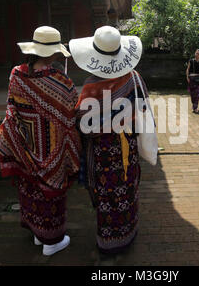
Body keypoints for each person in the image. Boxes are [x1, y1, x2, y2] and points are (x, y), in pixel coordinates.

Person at [0, 26, 81, 256]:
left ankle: (37, 233)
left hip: (25, 146)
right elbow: (72, 112)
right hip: (53, 149)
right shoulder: (61, 81)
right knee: (51, 191)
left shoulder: (16, 74)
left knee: (30, 189)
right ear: (53, 53)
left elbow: (11, 108)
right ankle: (51, 241)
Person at [69, 25, 146, 254]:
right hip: (127, 145)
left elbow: (83, 122)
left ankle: (108, 240)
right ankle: (128, 232)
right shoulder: (134, 79)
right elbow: (142, 107)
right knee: (127, 185)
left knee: (107, 192)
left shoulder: (91, 86)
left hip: (102, 150)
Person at [186, 49, 199, 113]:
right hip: (191, 78)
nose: (197, 54)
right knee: (192, 94)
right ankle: (193, 104)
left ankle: (195, 107)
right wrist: (187, 77)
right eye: (196, 53)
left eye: (198, 53)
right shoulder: (191, 61)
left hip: (198, 79)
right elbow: (188, 69)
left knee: (197, 93)